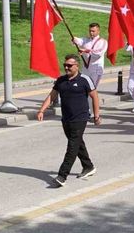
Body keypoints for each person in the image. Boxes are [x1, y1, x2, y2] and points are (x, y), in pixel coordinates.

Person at [37, 54, 100, 187]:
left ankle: (62, 176)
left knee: (72, 147)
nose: (66, 67)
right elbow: (52, 95)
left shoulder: (84, 79)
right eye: (65, 65)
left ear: (77, 66)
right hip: (66, 118)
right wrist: (42, 110)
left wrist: (96, 115)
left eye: (69, 65)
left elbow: (94, 96)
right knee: (77, 144)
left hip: (81, 118)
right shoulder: (60, 80)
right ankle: (88, 166)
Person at [72, 23, 108, 88]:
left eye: (93, 31)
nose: (91, 33)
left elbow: (98, 54)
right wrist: (74, 39)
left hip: (96, 69)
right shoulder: (86, 40)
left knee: (91, 89)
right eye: (90, 31)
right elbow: (79, 41)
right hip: (85, 68)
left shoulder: (103, 42)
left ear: (98, 31)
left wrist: (86, 50)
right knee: (83, 87)